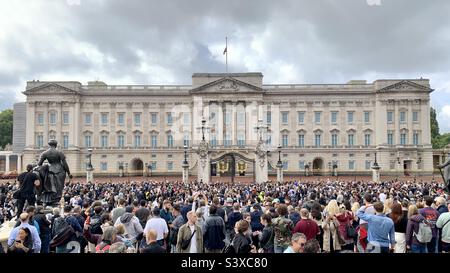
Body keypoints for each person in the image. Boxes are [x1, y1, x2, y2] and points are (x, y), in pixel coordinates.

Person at [36, 139, 72, 205]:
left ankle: (51, 200)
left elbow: (39, 164)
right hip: (60, 171)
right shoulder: (59, 152)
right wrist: (69, 173)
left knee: (51, 187)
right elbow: (65, 164)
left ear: (49, 145)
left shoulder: (45, 153)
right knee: (59, 187)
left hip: (50, 170)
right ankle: (56, 201)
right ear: (56, 145)